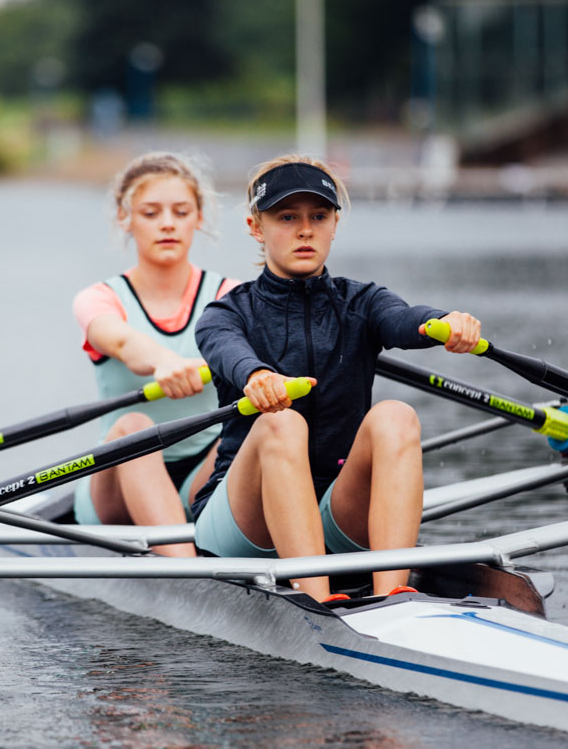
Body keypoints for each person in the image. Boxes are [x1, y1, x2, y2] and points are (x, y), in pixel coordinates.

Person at [190, 154, 481, 601]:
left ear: (334, 225)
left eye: (319, 217)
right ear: (256, 228)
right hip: (245, 525)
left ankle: (393, 596)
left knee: (396, 416)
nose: (305, 230)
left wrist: (445, 321)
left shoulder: (362, 301)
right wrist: (257, 376)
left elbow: (403, 319)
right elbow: (229, 351)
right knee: (282, 421)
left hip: (336, 510)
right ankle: (317, 600)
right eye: (287, 217)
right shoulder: (226, 314)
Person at [71, 152, 238, 555]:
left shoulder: (232, 296)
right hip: (114, 487)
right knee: (133, 425)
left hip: (205, 472)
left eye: (181, 212)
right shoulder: (99, 298)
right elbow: (122, 343)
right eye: (150, 213)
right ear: (124, 218)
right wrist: (166, 363)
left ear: (199, 217)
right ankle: (188, 572)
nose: (167, 224)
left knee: (260, 428)